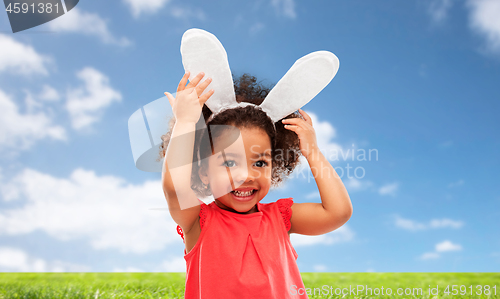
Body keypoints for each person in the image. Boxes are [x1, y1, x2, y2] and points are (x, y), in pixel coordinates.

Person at [159, 71, 353, 299]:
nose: (246, 175)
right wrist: (184, 122)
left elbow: (337, 212)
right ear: (203, 173)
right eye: (229, 162)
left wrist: (312, 152)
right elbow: (175, 188)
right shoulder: (197, 222)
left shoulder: (280, 218)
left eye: (260, 162)